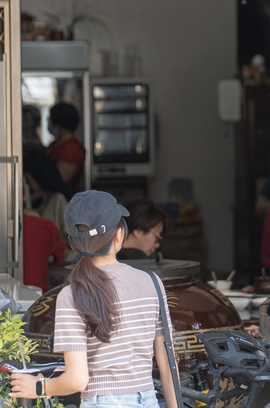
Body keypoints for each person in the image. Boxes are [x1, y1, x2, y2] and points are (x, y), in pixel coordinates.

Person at [9, 190, 179, 408]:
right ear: (119, 235)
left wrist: (40, 387)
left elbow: (77, 380)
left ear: (72, 243)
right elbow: (167, 364)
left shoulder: (72, 295)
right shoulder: (152, 282)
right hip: (148, 400)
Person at [22, 200, 67, 293]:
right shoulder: (47, 226)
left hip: (4, 294)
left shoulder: (0, 226)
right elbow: (62, 255)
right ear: (25, 196)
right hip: (39, 295)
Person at [47, 102, 87, 194]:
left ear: (58, 124)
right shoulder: (55, 145)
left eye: (50, 120)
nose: (49, 123)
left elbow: (59, 182)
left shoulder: (71, 149)